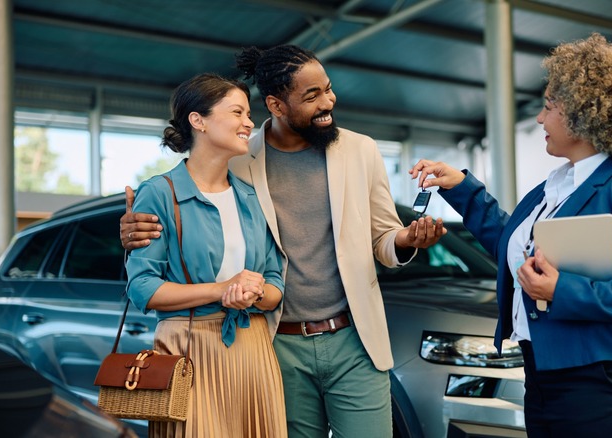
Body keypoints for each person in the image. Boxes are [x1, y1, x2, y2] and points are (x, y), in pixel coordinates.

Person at [120, 45, 445, 438]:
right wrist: (130, 228)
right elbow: (186, 205)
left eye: (328, 89)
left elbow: (383, 238)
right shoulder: (238, 159)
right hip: (276, 344)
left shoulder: (361, 151)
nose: (328, 101)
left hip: (354, 339)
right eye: (312, 95)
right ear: (276, 104)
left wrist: (407, 238)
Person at [409, 33, 612, 438]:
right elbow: (512, 247)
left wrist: (562, 290)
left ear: (582, 114)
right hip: (544, 377)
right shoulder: (551, 189)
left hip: (611, 384)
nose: (539, 119)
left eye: (549, 107)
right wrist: (460, 187)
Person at [125, 73, 287, 437]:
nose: (249, 123)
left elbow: (275, 282)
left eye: (249, 113)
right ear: (198, 121)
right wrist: (222, 290)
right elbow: (144, 289)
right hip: (187, 350)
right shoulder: (159, 193)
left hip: (253, 349)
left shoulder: (250, 196)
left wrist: (255, 292)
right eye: (237, 113)